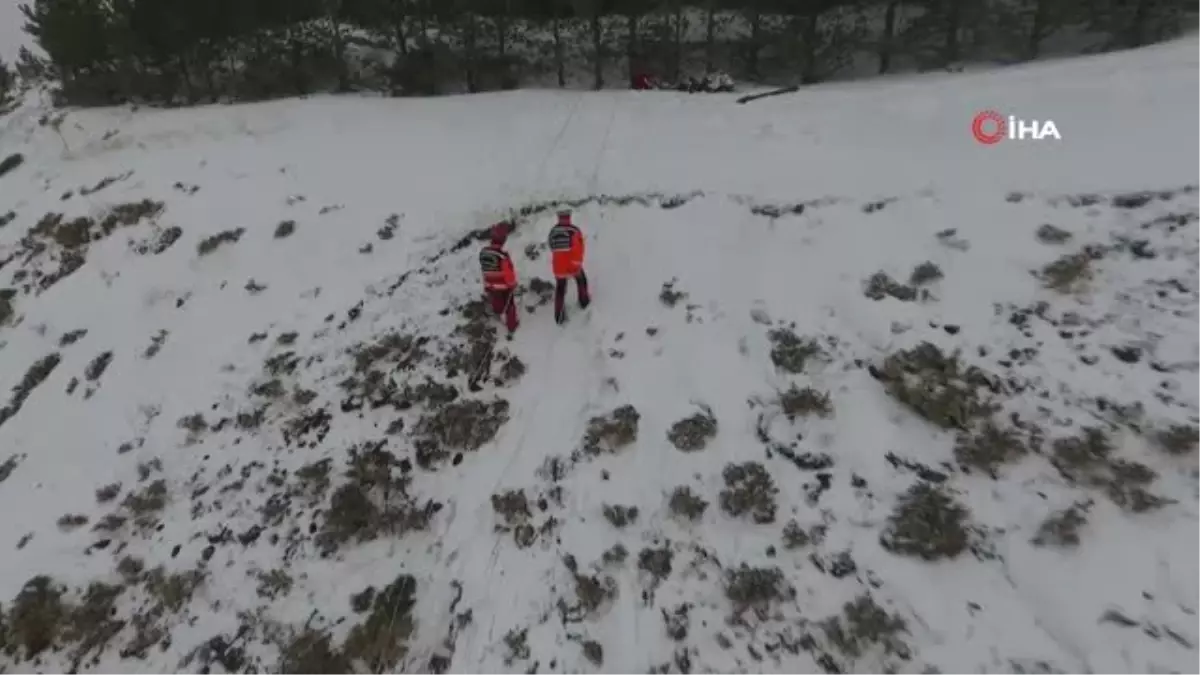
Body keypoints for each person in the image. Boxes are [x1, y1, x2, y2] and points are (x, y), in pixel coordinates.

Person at [548, 210, 590, 324]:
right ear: (569, 217)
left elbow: (551, 246)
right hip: (572, 265)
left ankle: (559, 316)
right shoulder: (574, 231)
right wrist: (577, 263)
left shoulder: (553, 231)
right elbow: (579, 249)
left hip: (558, 267)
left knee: (560, 288)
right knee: (581, 281)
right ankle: (584, 302)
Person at [479, 222, 519, 334]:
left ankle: (497, 311)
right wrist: (512, 284)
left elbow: (484, 269)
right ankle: (512, 325)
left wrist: (487, 284)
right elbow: (508, 272)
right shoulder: (502, 255)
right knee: (510, 305)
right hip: (503, 285)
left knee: (496, 300)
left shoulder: (483, 253)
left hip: (490, 284)